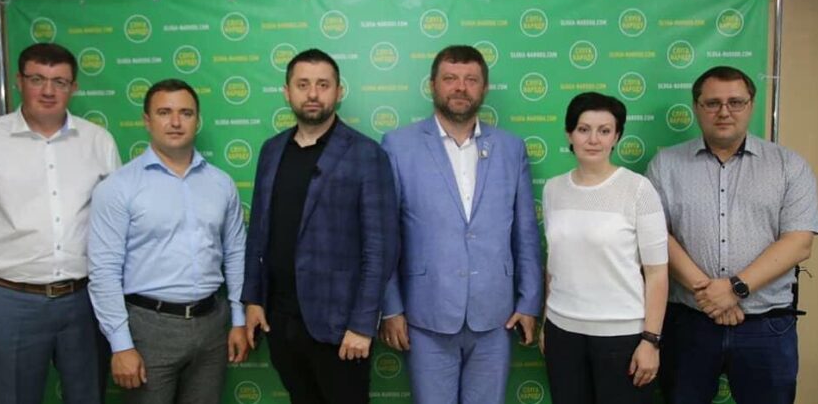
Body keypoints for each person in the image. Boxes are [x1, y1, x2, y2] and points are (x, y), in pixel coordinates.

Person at [0, 42, 119, 404]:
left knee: (89, 397)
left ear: (73, 87)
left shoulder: (98, 141)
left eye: (60, 82)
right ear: (19, 81)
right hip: (11, 302)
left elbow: (116, 226)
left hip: (84, 300)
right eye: (37, 79)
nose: (48, 91)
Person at [646, 66, 818, 404]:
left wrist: (735, 289)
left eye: (735, 102)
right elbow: (656, 237)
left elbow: (799, 242)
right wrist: (709, 295)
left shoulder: (789, 165)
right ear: (697, 107)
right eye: (712, 103)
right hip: (690, 324)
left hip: (766, 327)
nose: (724, 112)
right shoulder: (665, 165)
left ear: (751, 105)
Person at [379, 45, 542, 404]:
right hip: (426, 315)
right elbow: (386, 235)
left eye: (471, 80)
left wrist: (529, 302)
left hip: (495, 316)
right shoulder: (398, 146)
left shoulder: (511, 148)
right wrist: (391, 307)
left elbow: (526, 233)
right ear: (432, 85)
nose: (460, 87)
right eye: (450, 78)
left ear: (484, 88)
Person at [241, 48, 398, 404]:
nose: (313, 94)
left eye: (323, 85)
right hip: (280, 321)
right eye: (303, 84)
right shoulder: (271, 150)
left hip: (340, 329)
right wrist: (253, 300)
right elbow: (258, 234)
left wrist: (362, 324)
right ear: (287, 92)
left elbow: (380, 248)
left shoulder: (366, 154)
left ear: (338, 92)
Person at [87, 79, 248, 404]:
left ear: (197, 120)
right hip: (147, 329)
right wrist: (121, 344)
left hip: (212, 325)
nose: (175, 122)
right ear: (147, 120)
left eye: (185, 113)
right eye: (164, 112)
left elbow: (235, 253)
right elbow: (103, 270)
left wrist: (239, 319)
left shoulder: (221, 183)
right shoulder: (118, 187)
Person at [540, 92, 668, 404]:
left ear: (617, 137)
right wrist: (546, 322)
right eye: (584, 129)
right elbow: (555, 264)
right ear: (569, 134)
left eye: (604, 130)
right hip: (562, 332)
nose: (593, 139)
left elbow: (656, 273)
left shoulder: (638, 189)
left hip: (622, 337)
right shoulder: (553, 189)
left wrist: (651, 340)